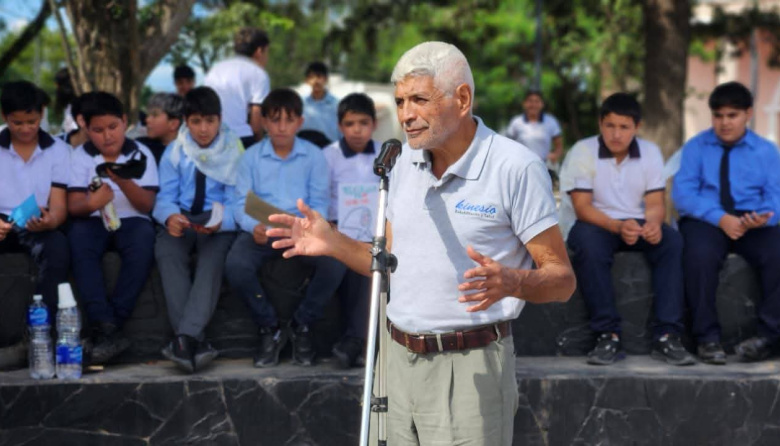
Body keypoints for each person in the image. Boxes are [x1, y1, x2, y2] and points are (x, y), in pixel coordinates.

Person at [266, 42, 576, 444]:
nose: (406, 115)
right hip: (396, 359)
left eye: (419, 100)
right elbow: (387, 264)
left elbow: (562, 279)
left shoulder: (514, 167)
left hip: (470, 366)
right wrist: (332, 242)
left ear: (462, 98)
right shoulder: (402, 164)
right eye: (400, 102)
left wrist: (515, 282)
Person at [562, 93, 694, 366]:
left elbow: (656, 203)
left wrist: (655, 224)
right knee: (587, 243)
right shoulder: (582, 151)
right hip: (598, 223)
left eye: (624, 127)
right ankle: (607, 334)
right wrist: (616, 226)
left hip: (637, 222)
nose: (616, 134)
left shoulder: (650, 152)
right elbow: (582, 207)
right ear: (600, 124)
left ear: (636, 127)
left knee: (672, 242)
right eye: (610, 126)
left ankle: (667, 335)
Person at [224, 88, 344, 368]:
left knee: (335, 264)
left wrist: (306, 227)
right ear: (264, 122)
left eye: (288, 120)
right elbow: (240, 201)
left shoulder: (314, 157)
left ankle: (302, 324)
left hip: (302, 231)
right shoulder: (250, 157)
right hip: (262, 231)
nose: (281, 127)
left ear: (300, 123)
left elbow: (320, 202)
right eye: (274, 119)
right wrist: (254, 226)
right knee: (236, 265)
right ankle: (269, 326)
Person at [673, 81, 780, 364]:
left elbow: (776, 196)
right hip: (708, 218)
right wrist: (720, 218)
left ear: (748, 114)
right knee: (698, 255)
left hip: (753, 221)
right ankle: (706, 339)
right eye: (718, 116)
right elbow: (683, 195)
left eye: (732, 115)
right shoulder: (696, 147)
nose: (724, 123)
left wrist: (764, 217)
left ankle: (768, 337)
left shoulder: (766, 151)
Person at [153, 86, 242, 373]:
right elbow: (164, 197)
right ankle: (193, 341)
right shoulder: (175, 152)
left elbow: (239, 200)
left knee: (212, 261)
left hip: (219, 221)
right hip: (184, 218)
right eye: (196, 122)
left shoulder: (234, 151)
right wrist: (170, 217)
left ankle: (184, 340)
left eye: (210, 121)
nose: (204, 130)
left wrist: (221, 221)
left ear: (220, 119)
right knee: (167, 251)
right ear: (184, 122)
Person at [67, 92, 159, 364]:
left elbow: (146, 205)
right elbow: (74, 206)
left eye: (112, 127)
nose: (107, 136)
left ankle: (109, 326)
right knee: (79, 241)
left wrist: (124, 180)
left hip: (132, 220)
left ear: (124, 122)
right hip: (93, 220)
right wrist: (92, 202)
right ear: (86, 129)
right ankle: (103, 320)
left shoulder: (140, 154)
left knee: (143, 243)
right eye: (98, 130)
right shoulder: (79, 157)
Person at [0, 81, 70, 311]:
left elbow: (59, 204)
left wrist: (52, 220)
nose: (25, 129)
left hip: (36, 220)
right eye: (16, 122)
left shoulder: (58, 150)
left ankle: (43, 322)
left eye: (32, 122)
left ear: (42, 114)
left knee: (57, 247)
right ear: (4, 116)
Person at [322, 93, 380, 368]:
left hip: (376, 231)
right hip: (338, 230)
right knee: (358, 264)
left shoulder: (388, 154)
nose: (357, 130)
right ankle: (355, 341)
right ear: (339, 126)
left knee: (371, 260)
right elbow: (320, 196)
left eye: (363, 123)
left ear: (374, 124)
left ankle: (354, 341)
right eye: (350, 123)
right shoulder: (328, 156)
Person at [204, 27, 270, 149]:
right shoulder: (258, 73)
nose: (267, 58)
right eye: (267, 52)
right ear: (259, 51)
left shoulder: (215, 69)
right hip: (241, 139)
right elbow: (256, 122)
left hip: (212, 138)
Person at [505, 91, 563, 167]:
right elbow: (507, 143)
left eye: (537, 101)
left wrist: (555, 156)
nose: (533, 105)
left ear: (542, 104)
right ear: (524, 104)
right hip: (522, 165)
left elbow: (559, 146)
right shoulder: (516, 122)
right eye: (530, 101)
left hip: (545, 166)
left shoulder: (551, 121)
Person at [136, 93, 184, 164]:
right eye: (148, 114)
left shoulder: (186, 155)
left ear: (173, 124)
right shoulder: (140, 146)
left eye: (155, 115)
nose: (147, 119)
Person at [300, 61, 340, 145]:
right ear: (306, 80)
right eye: (311, 77)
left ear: (326, 79)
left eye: (319, 76)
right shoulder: (301, 105)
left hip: (331, 152)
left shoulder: (337, 105)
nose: (315, 81)